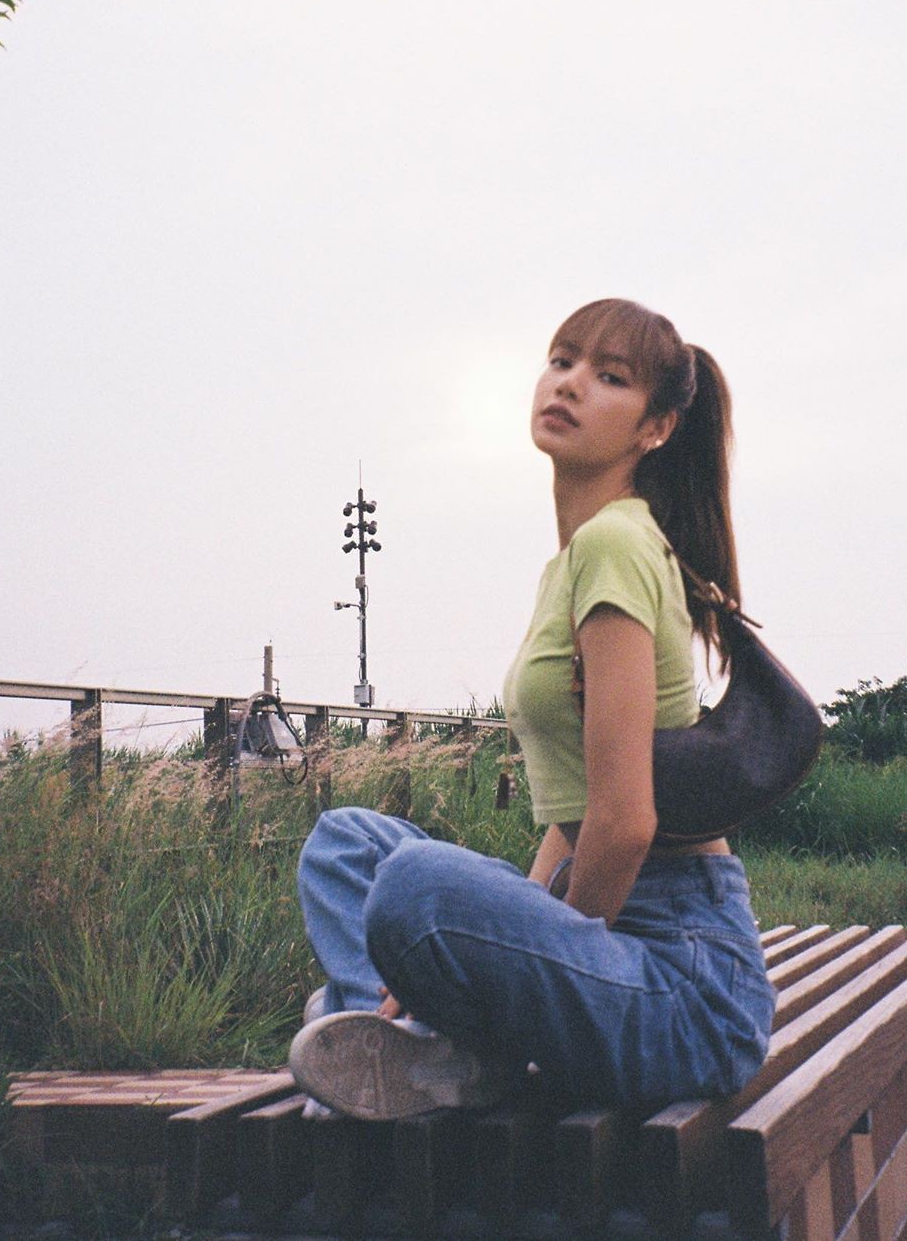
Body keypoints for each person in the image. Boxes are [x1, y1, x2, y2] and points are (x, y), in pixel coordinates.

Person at [289, 298, 776, 1120]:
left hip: (686, 991)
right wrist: (504, 944)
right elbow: (575, 814)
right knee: (346, 844)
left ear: (656, 428)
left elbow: (625, 823)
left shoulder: (616, 546)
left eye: (609, 377)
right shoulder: (575, 560)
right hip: (622, 953)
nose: (571, 383)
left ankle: (431, 1039)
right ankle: (421, 1044)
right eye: (562, 359)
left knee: (414, 884)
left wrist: (513, 969)